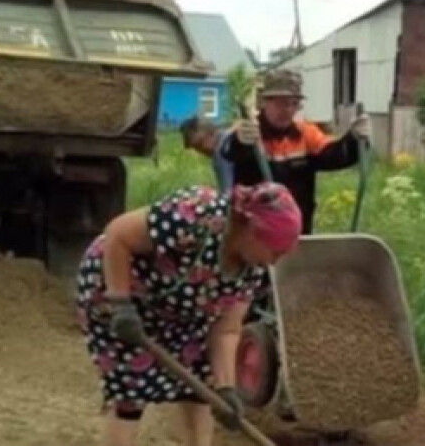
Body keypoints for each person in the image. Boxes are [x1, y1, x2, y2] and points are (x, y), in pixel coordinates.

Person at [74, 182, 302, 446]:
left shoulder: (252, 270)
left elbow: (226, 330)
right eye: (275, 252)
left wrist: (225, 389)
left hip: (181, 309)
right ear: (252, 232)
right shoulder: (195, 215)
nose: (275, 261)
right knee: (131, 391)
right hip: (117, 286)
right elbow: (117, 234)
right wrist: (121, 303)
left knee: (200, 389)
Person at [224, 69, 370, 234]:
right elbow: (229, 151)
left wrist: (354, 139)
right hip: (254, 231)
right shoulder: (249, 132)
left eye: (293, 104)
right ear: (264, 102)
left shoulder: (306, 134)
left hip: (297, 230)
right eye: (280, 103)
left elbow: (336, 156)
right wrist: (241, 142)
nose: (287, 110)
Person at [180, 117, 235, 192]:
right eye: (195, 147)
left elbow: (228, 194)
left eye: (199, 145)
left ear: (210, 133)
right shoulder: (228, 137)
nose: (200, 151)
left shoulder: (221, 153)